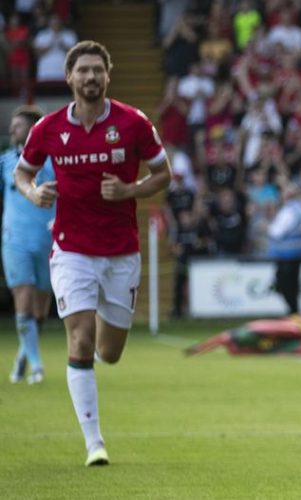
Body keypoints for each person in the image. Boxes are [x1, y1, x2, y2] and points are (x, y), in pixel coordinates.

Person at [15, 40, 172, 467]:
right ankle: (94, 443)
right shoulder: (47, 128)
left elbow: (163, 174)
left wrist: (130, 190)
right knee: (79, 341)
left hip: (121, 252)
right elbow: (22, 173)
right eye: (82, 70)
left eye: (97, 71)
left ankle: (103, 317)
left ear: (108, 75)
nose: (90, 77)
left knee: (111, 352)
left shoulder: (133, 123)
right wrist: (34, 193)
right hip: (71, 250)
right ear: (69, 77)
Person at [3, 105, 54, 385]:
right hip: (15, 241)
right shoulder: (5, 163)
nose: (12, 130)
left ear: (34, 130)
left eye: (18, 125)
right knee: (23, 300)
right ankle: (37, 366)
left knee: (40, 310)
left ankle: (24, 355)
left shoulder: (54, 162)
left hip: (48, 241)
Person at [267, 182, 301, 315]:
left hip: (286, 256)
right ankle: (294, 312)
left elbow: (276, 232)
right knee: (293, 286)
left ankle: (293, 313)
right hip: (298, 254)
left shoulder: (289, 210)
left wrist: (267, 225)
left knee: (285, 286)